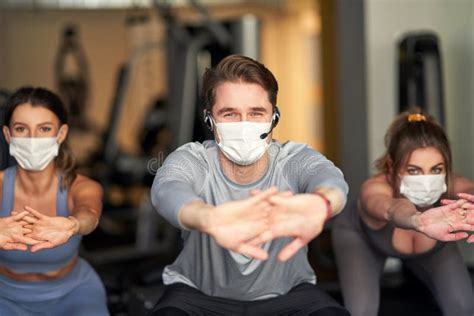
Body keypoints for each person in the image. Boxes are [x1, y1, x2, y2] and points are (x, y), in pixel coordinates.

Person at [150, 55, 350, 315]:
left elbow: (330, 179)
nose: (244, 125)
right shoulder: (194, 159)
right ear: (210, 119)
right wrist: (208, 217)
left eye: (256, 113)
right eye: (230, 114)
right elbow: (167, 188)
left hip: (287, 294)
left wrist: (321, 204)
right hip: (198, 295)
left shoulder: (293, 159)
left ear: (274, 117)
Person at [332, 111, 474, 316]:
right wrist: (418, 220)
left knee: (463, 306)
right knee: (360, 311)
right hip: (360, 239)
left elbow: (470, 190)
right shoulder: (374, 188)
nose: (427, 180)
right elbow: (391, 208)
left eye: (436, 169)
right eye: (414, 170)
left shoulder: (450, 183)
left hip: (432, 249)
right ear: (391, 167)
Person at [0, 87, 109, 315]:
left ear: (60, 134)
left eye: (44, 129)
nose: (32, 139)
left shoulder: (81, 186)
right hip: (5, 296)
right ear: (8, 135)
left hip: (74, 293)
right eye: (21, 129)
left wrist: (73, 224)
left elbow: (89, 212)